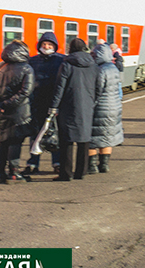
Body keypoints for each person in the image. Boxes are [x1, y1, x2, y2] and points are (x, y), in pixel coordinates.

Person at [48, 38, 100, 181]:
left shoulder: (67, 63)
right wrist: (93, 101)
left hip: (68, 105)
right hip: (87, 105)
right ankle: (81, 172)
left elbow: (60, 87)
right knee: (84, 139)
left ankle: (66, 173)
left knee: (67, 140)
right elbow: (99, 86)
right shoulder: (93, 64)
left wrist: (54, 106)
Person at [0, 40, 35, 184]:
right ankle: (14, 172)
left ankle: (0, 173)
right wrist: (8, 104)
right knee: (15, 142)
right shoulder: (26, 69)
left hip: (0, 112)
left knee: (2, 142)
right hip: (19, 112)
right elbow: (25, 91)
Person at [25, 32, 64, 175]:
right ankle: (33, 162)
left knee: (55, 134)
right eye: (44, 44)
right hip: (37, 103)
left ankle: (57, 162)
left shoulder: (61, 60)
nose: (46, 47)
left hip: (54, 102)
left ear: (55, 46)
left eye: (49, 44)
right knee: (36, 134)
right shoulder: (33, 61)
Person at [88, 43, 124, 174]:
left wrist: (90, 105)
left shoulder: (99, 69)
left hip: (100, 108)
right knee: (107, 136)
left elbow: (97, 90)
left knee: (92, 137)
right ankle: (104, 164)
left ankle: (92, 166)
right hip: (114, 107)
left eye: (93, 54)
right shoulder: (113, 67)